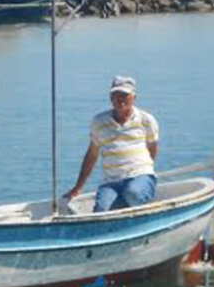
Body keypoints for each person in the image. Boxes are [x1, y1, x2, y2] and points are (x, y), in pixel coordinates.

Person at [65, 76, 159, 212]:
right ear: (110, 97)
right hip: (111, 181)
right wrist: (78, 187)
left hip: (140, 175)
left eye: (124, 95)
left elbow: (152, 148)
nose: (120, 99)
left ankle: (140, 196)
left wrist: (143, 168)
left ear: (134, 97)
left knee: (133, 193)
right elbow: (92, 155)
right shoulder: (99, 122)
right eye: (116, 95)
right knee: (101, 209)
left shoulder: (146, 120)